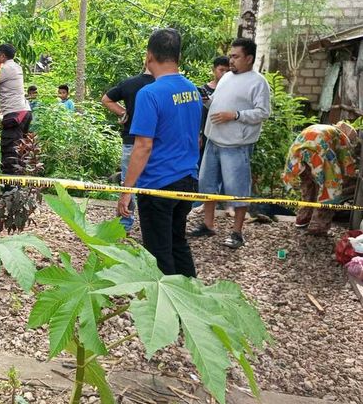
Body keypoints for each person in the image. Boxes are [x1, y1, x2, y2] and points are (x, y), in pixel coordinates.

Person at [116, 28, 201, 277]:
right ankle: (192, 300)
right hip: (188, 180)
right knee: (178, 242)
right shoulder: (193, 91)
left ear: (149, 55)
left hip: (158, 184)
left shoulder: (150, 93)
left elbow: (143, 145)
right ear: (178, 56)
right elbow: (195, 139)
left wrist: (126, 190)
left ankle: (166, 307)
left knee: (158, 252)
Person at [188, 38, 271, 249]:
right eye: (230, 56)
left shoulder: (258, 82)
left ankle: (237, 233)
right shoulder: (226, 78)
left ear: (249, 58)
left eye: (235, 57)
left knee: (237, 189)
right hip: (213, 139)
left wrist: (234, 115)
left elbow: (263, 112)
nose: (230, 60)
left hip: (236, 144)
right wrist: (205, 100)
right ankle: (208, 224)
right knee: (206, 183)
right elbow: (215, 101)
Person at [102, 66, 155, 233]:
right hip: (156, 142)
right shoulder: (164, 85)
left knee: (128, 184)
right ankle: (152, 224)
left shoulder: (130, 83)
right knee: (155, 183)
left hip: (132, 140)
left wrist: (123, 112)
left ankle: (124, 226)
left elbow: (106, 99)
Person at [282, 122, 358, 236]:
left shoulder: (323, 128)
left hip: (298, 156)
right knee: (329, 192)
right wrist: (349, 175)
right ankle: (318, 227)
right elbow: (346, 162)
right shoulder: (342, 137)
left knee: (308, 188)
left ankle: (303, 219)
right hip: (319, 157)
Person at [0, 43, 32, 175]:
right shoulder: (16, 66)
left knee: (10, 149)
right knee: (21, 149)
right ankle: (19, 184)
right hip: (24, 111)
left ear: (2, 56)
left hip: (15, 114)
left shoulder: (5, 69)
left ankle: (10, 186)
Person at [198, 56, 230, 156]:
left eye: (227, 71)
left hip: (224, 134)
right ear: (213, 70)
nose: (224, 73)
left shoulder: (231, 89)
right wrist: (198, 134)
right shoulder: (204, 89)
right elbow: (198, 113)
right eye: (221, 70)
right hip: (205, 131)